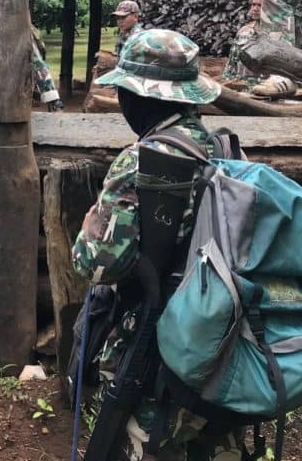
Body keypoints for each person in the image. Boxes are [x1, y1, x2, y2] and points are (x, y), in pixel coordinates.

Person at [73, 29, 242, 461]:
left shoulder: (142, 159)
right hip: (218, 343)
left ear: (142, 98)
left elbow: (96, 262)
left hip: (154, 343)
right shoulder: (226, 150)